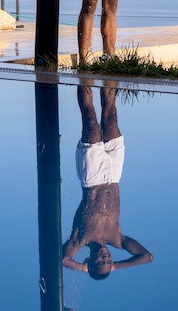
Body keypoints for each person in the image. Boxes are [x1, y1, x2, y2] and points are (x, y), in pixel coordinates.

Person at [62, 85, 153, 280]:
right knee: (110, 115)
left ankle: (84, 62)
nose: (105, 259)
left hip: (92, 176)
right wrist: (115, 268)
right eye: (108, 263)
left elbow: (62, 260)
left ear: (91, 261)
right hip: (114, 174)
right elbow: (147, 257)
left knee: (90, 118)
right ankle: (109, 58)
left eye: (99, 263)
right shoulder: (117, 239)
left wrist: (84, 269)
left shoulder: (81, 240)